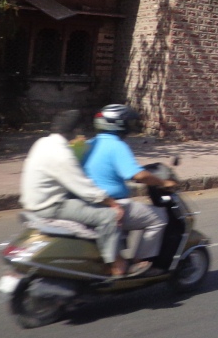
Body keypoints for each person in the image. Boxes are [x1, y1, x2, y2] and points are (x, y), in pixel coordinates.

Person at [19, 110, 126, 276]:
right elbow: (86, 189)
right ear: (76, 131)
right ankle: (114, 264)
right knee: (109, 216)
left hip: (34, 202)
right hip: (51, 206)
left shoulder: (42, 142)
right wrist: (113, 204)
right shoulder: (62, 154)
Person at [83, 104, 176, 277]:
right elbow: (137, 175)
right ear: (118, 124)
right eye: (127, 122)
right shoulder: (117, 146)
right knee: (159, 217)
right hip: (111, 205)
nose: (130, 126)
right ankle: (139, 262)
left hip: (88, 204)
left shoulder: (90, 144)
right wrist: (163, 182)